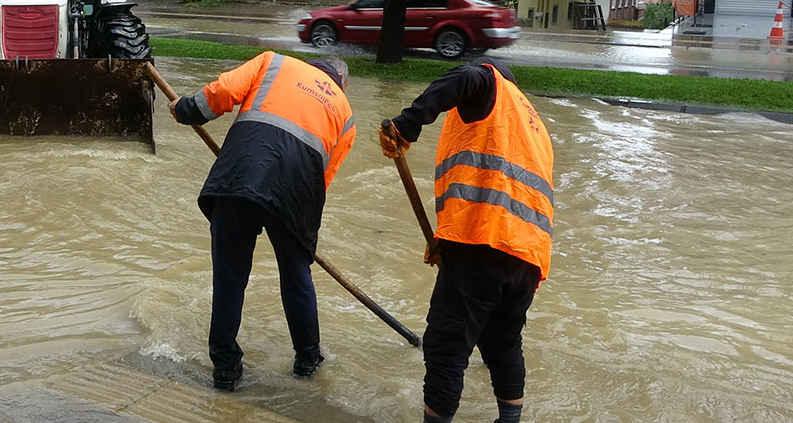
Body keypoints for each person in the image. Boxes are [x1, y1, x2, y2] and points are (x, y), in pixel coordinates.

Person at [378, 58, 554, 423]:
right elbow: (495, 183)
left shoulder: (490, 86)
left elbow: (467, 76)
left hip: (484, 242)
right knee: (502, 342)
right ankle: (510, 420)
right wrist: (446, 239)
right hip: (527, 258)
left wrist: (408, 124)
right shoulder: (532, 125)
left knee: (446, 345)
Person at [167, 51, 356, 392]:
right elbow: (323, 179)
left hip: (240, 174)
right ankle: (307, 362)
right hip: (297, 193)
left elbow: (220, 95)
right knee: (297, 276)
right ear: (341, 83)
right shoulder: (346, 115)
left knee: (229, 278)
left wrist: (184, 110)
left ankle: (225, 370)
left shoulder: (275, 63)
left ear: (313, 67)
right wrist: (299, 233)